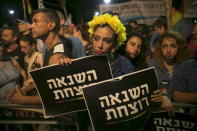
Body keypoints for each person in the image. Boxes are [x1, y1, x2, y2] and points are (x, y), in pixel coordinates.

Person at [148, 31, 189, 97]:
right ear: (160, 48)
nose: (168, 50)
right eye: (164, 46)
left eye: (173, 46)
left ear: (179, 47)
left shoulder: (186, 65)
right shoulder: (152, 66)